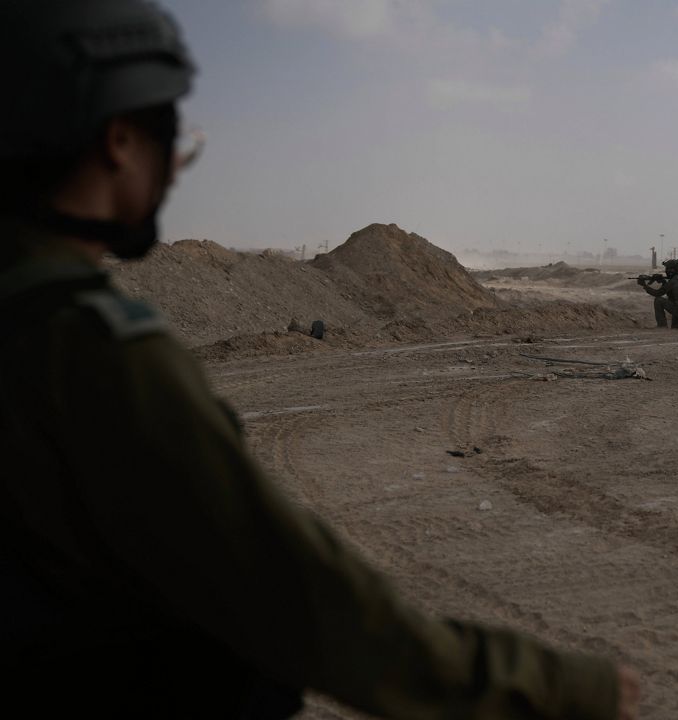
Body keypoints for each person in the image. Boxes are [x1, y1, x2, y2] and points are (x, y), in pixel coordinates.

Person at [0, 1, 639, 718]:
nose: (176, 171)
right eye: (170, 140)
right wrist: (554, 689)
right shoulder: (91, 354)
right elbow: (304, 607)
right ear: (117, 140)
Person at [639, 258, 678, 328]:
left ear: (672, 270)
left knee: (658, 300)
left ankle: (662, 326)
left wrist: (644, 285)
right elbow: (672, 292)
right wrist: (663, 282)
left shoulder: (673, 281)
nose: (666, 271)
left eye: (667, 268)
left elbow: (658, 293)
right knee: (676, 326)